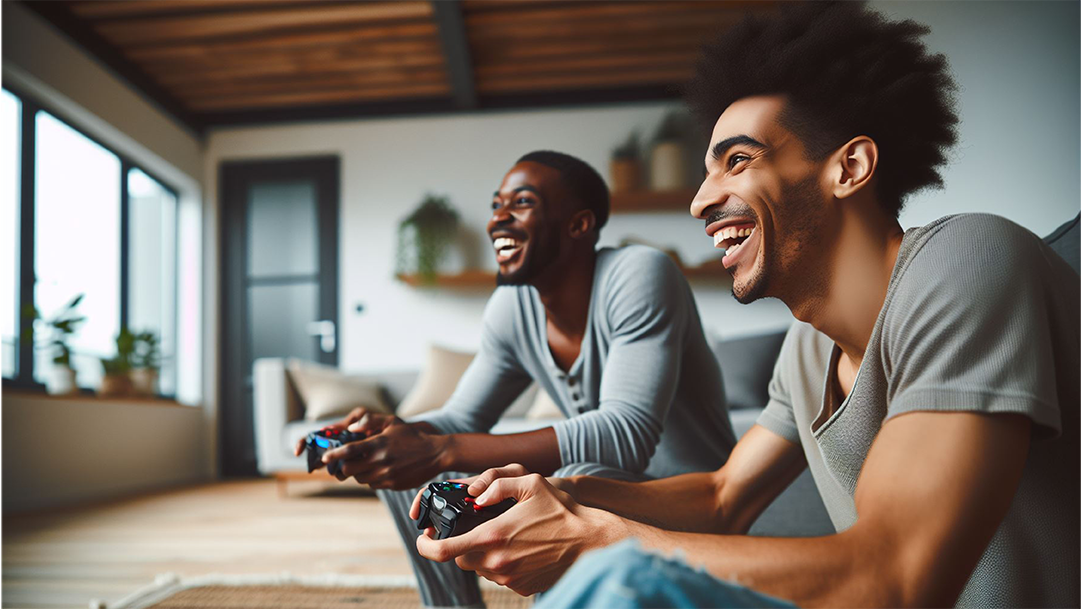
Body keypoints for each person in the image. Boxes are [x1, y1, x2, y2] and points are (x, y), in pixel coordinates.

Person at [412, 3, 1081, 608]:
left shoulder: (968, 259)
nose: (700, 200)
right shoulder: (809, 344)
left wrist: (599, 541)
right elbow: (722, 497)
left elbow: (894, 575)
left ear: (848, 167)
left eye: (736, 160)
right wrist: (565, 493)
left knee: (618, 582)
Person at [296, 150, 738, 608]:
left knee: (568, 482)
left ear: (579, 224)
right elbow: (462, 419)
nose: (497, 220)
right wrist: (397, 436)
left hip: (693, 500)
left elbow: (625, 435)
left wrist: (439, 448)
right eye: (496, 205)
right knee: (420, 472)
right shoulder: (512, 307)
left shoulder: (638, 274)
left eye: (522, 202)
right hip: (611, 486)